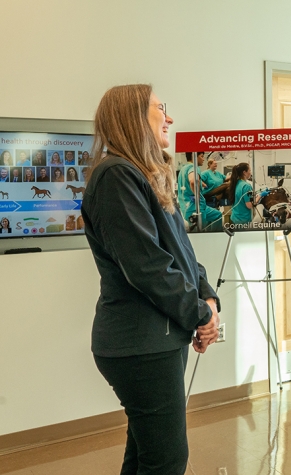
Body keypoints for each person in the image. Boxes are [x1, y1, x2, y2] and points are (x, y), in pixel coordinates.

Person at [81, 84, 221, 475]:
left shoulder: (147, 174)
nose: (170, 118)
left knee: (144, 455)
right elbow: (148, 266)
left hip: (159, 339)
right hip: (140, 345)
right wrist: (199, 314)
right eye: (162, 108)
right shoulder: (116, 175)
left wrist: (208, 300)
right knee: (167, 460)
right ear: (133, 117)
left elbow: (181, 251)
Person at [177, 151, 222, 231]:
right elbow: (193, 181)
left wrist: (202, 184)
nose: (203, 159)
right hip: (195, 207)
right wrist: (197, 196)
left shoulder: (183, 169)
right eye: (201, 156)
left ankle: (214, 237)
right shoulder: (194, 167)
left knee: (217, 215)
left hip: (193, 206)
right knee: (200, 234)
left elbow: (192, 181)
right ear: (193, 156)